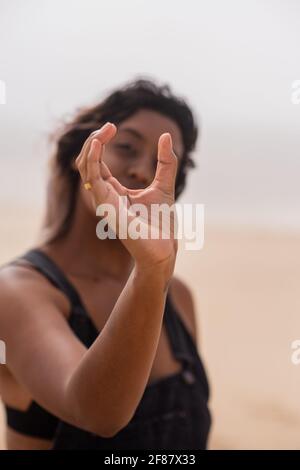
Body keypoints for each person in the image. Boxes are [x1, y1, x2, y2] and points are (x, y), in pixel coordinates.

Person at [0, 79, 211, 450]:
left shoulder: (177, 297)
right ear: (79, 157)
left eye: (162, 162)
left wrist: (154, 271)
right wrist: (150, 270)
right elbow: (98, 414)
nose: (142, 171)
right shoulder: (19, 291)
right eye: (127, 148)